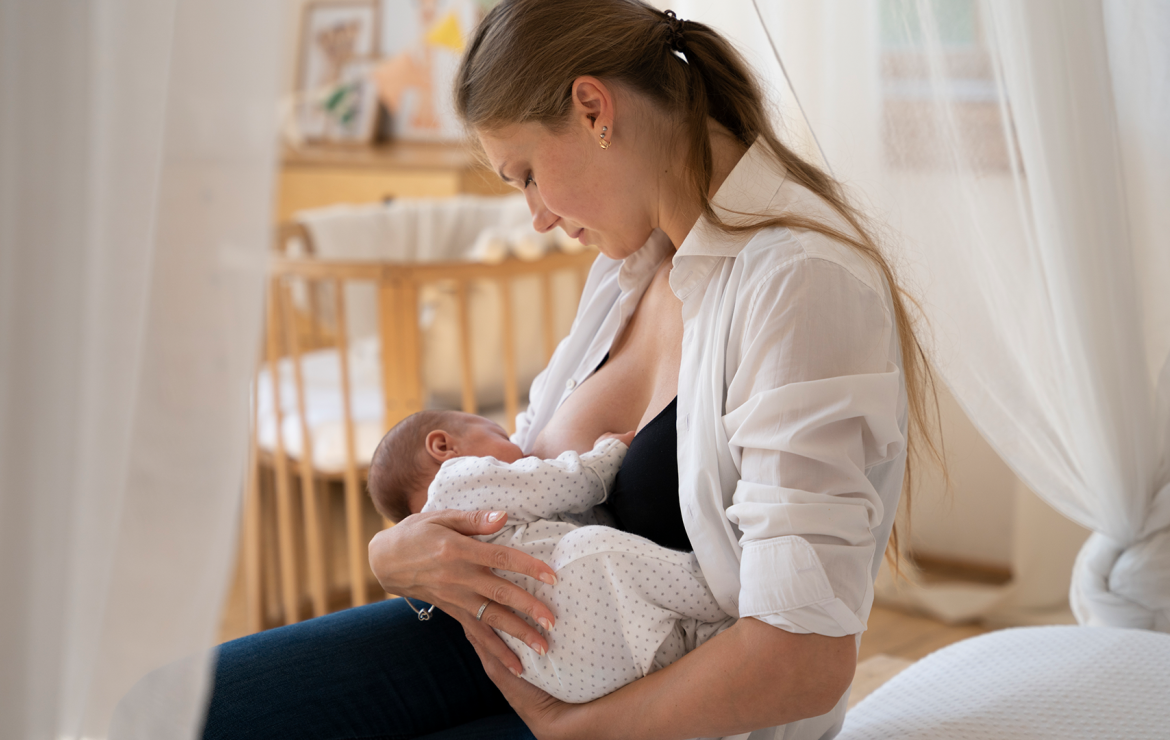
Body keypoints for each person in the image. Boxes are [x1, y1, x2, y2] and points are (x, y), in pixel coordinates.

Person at [128, 1, 940, 738]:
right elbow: (517, 471)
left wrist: (570, 731)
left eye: (524, 175)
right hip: (524, 646)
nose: (539, 217)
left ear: (593, 109)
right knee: (166, 714)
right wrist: (397, 553)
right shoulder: (629, 274)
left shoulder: (800, 285)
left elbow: (803, 660)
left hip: (658, 709)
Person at [366, 409, 733, 704]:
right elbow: (562, 483)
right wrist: (608, 453)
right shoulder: (454, 479)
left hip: (564, 678)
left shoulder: (444, 558)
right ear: (443, 446)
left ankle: (708, 640)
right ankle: (724, 598)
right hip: (582, 614)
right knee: (589, 549)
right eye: (503, 437)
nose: (521, 450)